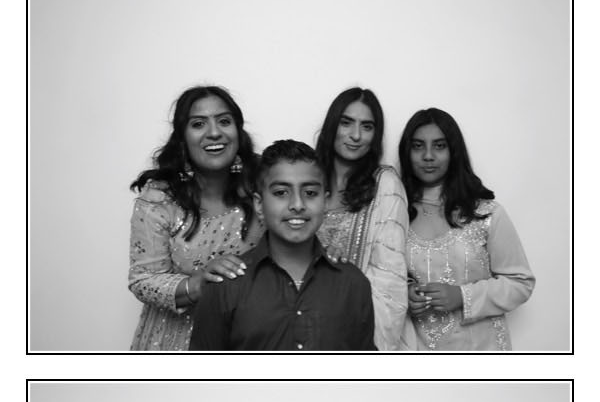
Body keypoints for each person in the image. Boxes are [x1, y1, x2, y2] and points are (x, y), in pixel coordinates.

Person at [189, 139, 376, 352]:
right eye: (281, 193)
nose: (297, 204)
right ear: (259, 204)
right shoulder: (226, 285)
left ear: (325, 202)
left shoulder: (353, 284)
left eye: (310, 193)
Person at [129, 85, 260, 352]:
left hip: (244, 336)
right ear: (182, 137)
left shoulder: (262, 187)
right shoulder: (160, 199)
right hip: (174, 342)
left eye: (224, 121)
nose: (214, 132)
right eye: (198, 124)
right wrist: (196, 285)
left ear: (238, 131)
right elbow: (142, 280)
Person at [398, 108, 535, 353]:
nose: (428, 156)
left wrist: (463, 296)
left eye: (439, 146)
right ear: (407, 152)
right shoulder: (395, 214)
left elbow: (520, 283)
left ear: (454, 151)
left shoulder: (485, 214)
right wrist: (406, 293)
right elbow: (384, 275)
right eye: (418, 146)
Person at [315, 88, 409, 350]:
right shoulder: (307, 180)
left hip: (358, 331)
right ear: (332, 125)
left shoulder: (385, 185)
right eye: (346, 123)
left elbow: (390, 279)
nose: (356, 135)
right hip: (304, 324)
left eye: (367, 127)